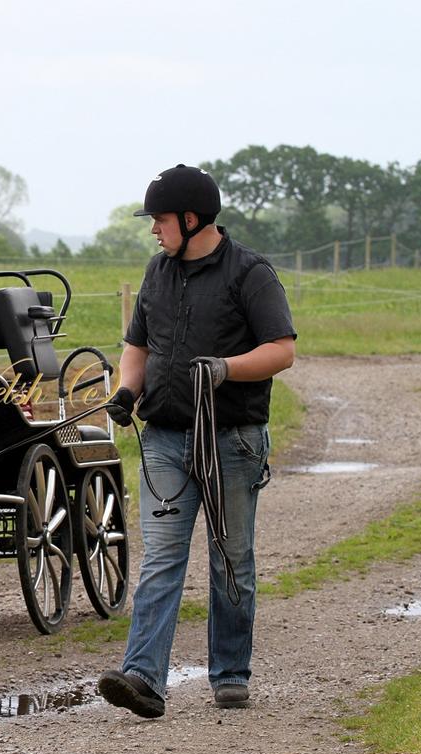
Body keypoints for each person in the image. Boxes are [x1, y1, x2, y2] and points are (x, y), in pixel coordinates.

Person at [97, 164, 297, 718]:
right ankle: (143, 678)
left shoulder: (251, 273)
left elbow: (281, 349)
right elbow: (137, 345)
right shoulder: (157, 272)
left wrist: (226, 369)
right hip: (163, 438)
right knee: (160, 560)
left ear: (191, 219)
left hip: (232, 441)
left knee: (232, 559)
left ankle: (230, 673)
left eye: (160, 219)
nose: (153, 229)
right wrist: (125, 390)